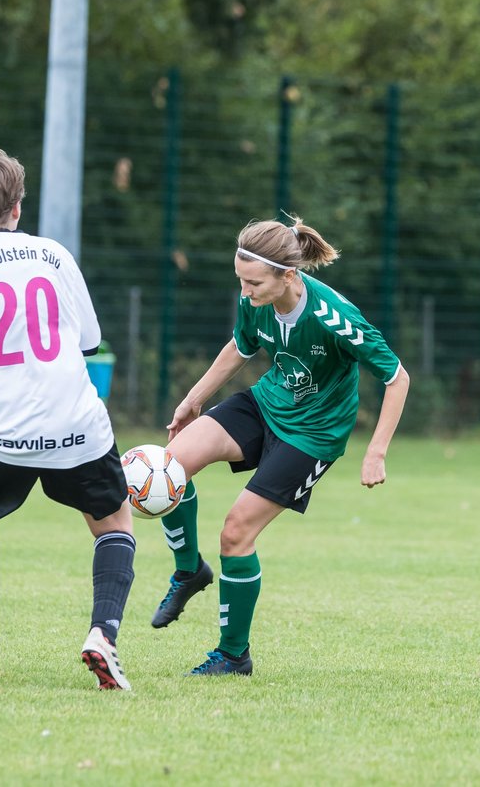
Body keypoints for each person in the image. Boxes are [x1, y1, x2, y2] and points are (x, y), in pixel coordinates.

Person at [0, 147, 136, 690]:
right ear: (18, 206)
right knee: (113, 523)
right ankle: (102, 634)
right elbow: (88, 343)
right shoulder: (55, 256)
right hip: (75, 423)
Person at [152, 214, 409, 675]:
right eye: (241, 281)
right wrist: (193, 401)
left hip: (313, 436)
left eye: (253, 284)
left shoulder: (334, 317)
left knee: (236, 533)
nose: (245, 293)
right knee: (168, 466)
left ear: (288, 275)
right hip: (266, 403)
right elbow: (240, 346)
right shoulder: (254, 299)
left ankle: (233, 656)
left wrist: (376, 451)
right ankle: (189, 570)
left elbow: (397, 377)